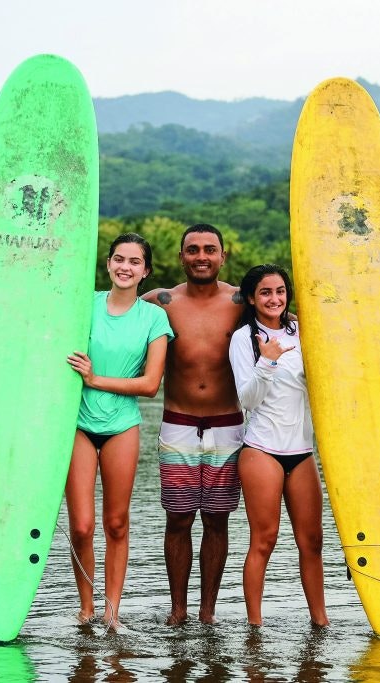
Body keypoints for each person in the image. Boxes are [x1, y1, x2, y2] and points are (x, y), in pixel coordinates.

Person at [0, 233, 173, 629]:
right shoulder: (83, 304)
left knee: (116, 523)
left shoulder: (154, 319)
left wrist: (94, 378)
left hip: (122, 426)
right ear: (107, 263)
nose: (125, 267)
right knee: (82, 525)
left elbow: (151, 384)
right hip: (77, 424)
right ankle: (86, 608)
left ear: (146, 271)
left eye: (134, 262)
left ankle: (112, 612)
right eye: (119, 259)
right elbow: (25, 323)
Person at [141, 224, 244, 625]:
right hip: (178, 423)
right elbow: (101, 313)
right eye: (193, 250)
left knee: (217, 519)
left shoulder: (242, 300)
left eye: (210, 250)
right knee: (179, 518)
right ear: (181, 256)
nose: (201, 256)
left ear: (223, 256)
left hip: (228, 424)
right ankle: (178, 610)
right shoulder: (158, 302)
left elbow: (300, 327)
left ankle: (208, 612)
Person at [228, 263, 329, 627]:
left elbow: (348, 368)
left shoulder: (303, 331)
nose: (275, 298)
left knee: (312, 541)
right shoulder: (244, 339)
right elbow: (248, 399)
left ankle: (321, 622)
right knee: (264, 539)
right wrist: (267, 362)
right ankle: (255, 626)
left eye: (280, 291)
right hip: (262, 451)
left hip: (301, 451)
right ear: (253, 298)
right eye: (266, 292)